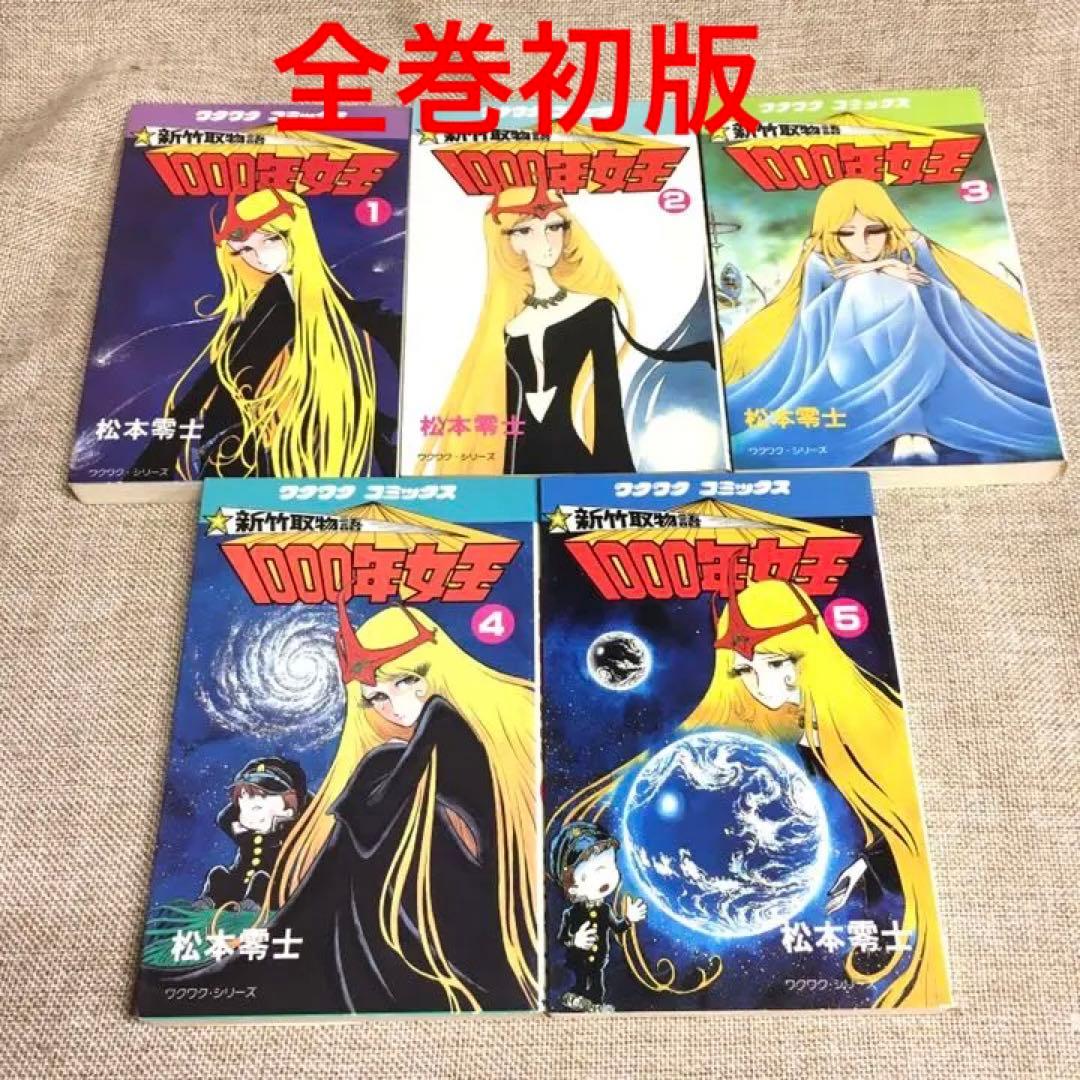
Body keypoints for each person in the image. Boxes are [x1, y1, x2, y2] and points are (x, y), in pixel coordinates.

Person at [551, 577, 948, 1009]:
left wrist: (867, 867)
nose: (760, 685)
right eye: (744, 671)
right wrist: (859, 867)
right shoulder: (794, 740)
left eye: (774, 663)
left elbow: (906, 827)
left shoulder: (871, 729)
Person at [724, 178, 1061, 467]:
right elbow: (809, 316)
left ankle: (909, 427)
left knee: (890, 287)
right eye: (847, 232)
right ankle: (908, 429)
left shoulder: (910, 245)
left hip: (927, 344)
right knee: (865, 287)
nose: (863, 242)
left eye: (875, 230)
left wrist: (885, 273)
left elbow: (940, 290)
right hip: (845, 355)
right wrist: (873, 271)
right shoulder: (820, 257)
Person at [417, 186, 712, 475]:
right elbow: (509, 416)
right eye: (525, 230)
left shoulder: (595, 309)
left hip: (576, 464)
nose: (545, 241)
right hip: (518, 467)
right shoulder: (507, 328)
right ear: (507, 241)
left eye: (554, 227)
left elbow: (606, 403)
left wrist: (615, 480)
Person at [130, 187, 400, 480]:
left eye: (270, 239)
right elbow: (216, 379)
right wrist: (158, 458)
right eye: (246, 249)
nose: (258, 257)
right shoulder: (270, 307)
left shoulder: (365, 315)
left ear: (295, 233)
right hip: (253, 457)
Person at [548, 821, 647, 1012]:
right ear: (573, 886)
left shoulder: (605, 910)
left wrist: (629, 918)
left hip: (599, 962)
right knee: (579, 981)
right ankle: (574, 997)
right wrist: (574, 941)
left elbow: (617, 927)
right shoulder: (571, 913)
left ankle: (595, 1004)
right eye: (594, 872)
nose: (605, 878)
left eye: (610, 867)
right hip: (577, 962)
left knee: (597, 986)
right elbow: (562, 939)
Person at [194, 757, 308, 911]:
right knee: (218, 875)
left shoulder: (299, 828)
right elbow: (226, 819)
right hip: (240, 884)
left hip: (274, 888)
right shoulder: (234, 822)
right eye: (245, 799)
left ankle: (254, 906)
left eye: (261, 801)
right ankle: (209, 901)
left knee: (262, 881)